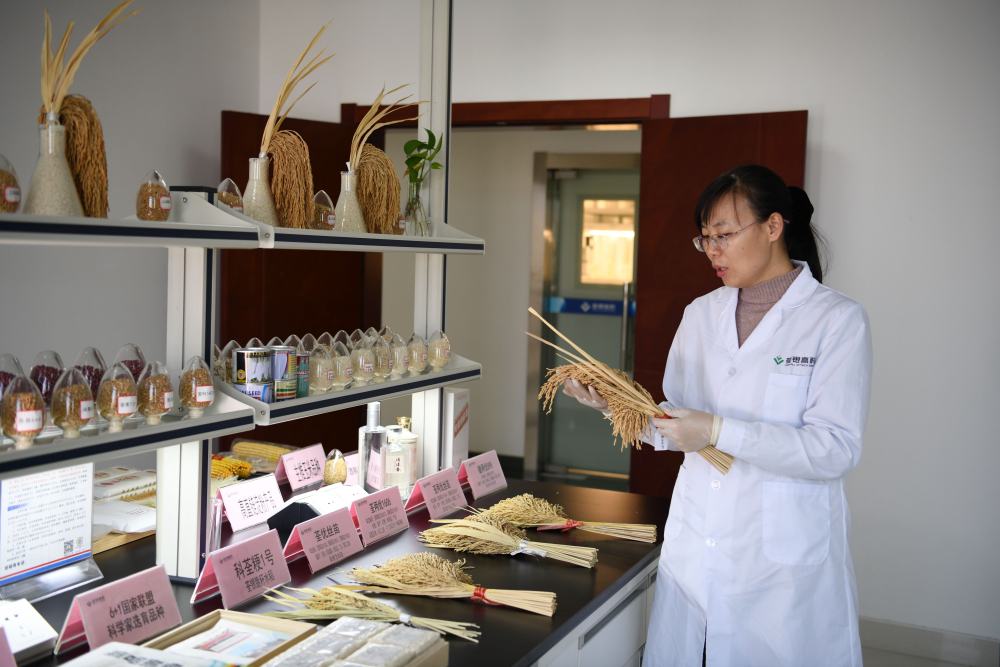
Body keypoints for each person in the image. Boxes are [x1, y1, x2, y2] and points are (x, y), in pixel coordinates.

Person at [564, 165, 871, 666]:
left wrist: (719, 430)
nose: (712, 250)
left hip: (781, 559)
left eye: (724, 235)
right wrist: (616, 406)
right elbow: (676, 424)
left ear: (773, 227)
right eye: (704, 238)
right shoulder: (701, 313)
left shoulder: (836, 320)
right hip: (698, 539)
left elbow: (834, 449)